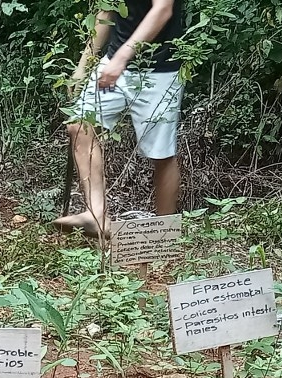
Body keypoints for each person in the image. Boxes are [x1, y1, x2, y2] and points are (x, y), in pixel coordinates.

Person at [53, 0, 185, 237]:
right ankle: (96, 214)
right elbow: (108, 8)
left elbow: (163, 9)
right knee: (79, 124)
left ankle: (164, 237)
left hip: (160, 70)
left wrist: (123, 56)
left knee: (160, 154)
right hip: (113, 61)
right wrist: (84, 64)